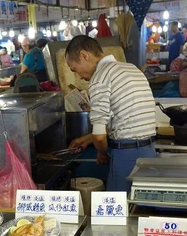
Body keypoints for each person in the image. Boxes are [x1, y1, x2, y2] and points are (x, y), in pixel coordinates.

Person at [66, 35, 157, 192]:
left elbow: (100, 136)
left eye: (75, 69)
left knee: (118, 213)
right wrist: (87, 139)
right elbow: (123, 120)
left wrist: (102, 153)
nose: (78, 76)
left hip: (127, 157)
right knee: (140, 210)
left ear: (84, 55)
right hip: (149, 152)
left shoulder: (100, 78)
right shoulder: (131, 68)